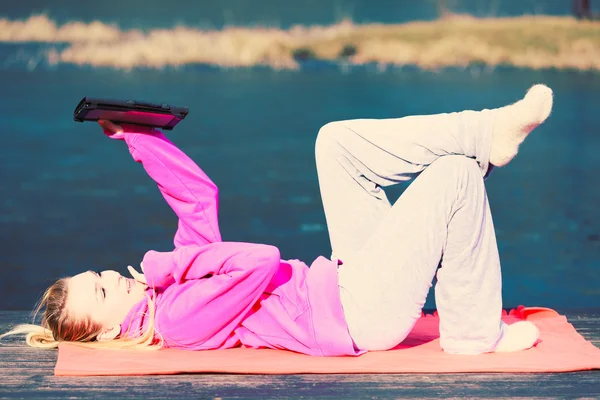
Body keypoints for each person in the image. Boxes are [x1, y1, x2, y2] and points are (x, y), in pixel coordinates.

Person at [1, 84, 553, 355]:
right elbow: (259, 263)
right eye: (99, 292)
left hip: (346, 281)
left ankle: (486, 131)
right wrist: (169, 268)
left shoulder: (169, 291)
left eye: (95, 276)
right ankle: (474, 332)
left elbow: (198, 197)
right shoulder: (174, 319)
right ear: (105, 330)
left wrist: (139, 137)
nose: (108, 277)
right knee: (453, 176)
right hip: (361, 315)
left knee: (334, 142)